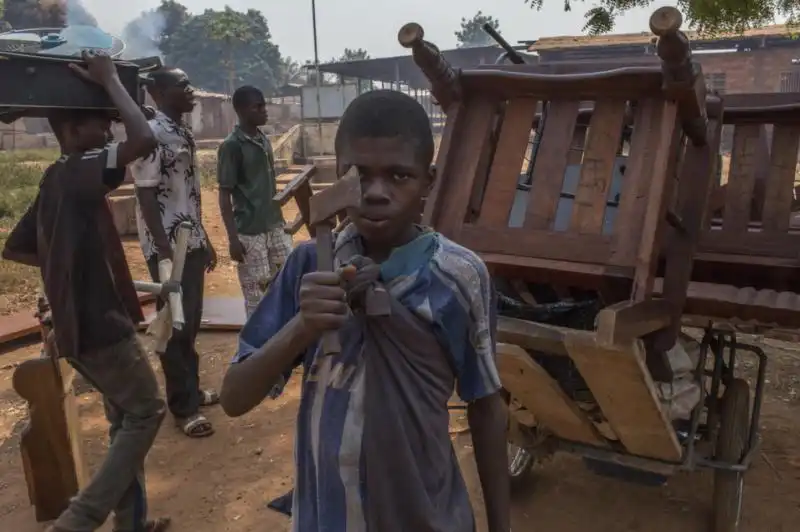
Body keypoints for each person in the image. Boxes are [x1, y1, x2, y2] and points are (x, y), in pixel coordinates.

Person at [219, 90, 511, 532]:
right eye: (358, 174)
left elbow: (486, 405)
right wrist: (303, 327)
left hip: (426, 515)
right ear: (337, 174)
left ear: (428, 182)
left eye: (399, 176)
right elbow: (234, 398)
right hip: (328, 518)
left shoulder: (457, 276)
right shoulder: (309, 267)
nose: (376, 193)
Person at [2, 50, 170, 532]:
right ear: (74, 133)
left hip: (80, 326)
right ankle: (77, 521)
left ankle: (132, 523)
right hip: (100, 327)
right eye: (102, 124)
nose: (111, 132)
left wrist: (66, 270)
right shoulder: (79, 169)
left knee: (123, 423)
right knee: (145, 413)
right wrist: (111, 79)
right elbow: (143, 137)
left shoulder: (57, 178)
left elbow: (18, 247)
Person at [131, 67, 219, 439]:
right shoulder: (149, 134)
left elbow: (188, 194)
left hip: (191, 241)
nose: (190, 90)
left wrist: (204, 238)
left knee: (191, 322)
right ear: (159, 92)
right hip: (168, 247)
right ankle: (184, 408)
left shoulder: (180, 130)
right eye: (183, 85)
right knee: (174, 325)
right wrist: (165, 251)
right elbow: (145, 192)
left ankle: (192, 391)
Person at [217, 85, 293, 318]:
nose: (264, 110)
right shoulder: (232, 146)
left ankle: (286, 343)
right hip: (250, 233)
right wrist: (232, 239)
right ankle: (258, 348)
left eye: (264, 105)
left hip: (275, 225)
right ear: (241, 110)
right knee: (257, 296)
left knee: (287, 283)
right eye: (257, 107)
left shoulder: (263, 140)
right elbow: (224, 194)